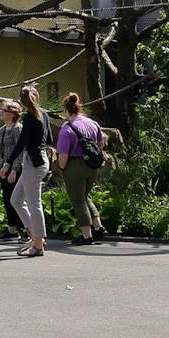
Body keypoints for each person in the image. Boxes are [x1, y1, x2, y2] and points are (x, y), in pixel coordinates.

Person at [55, 92, 113, 246]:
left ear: (66, 110)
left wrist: (62, 168)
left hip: (75, 166)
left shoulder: (66, 129)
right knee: (85, 196)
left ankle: (87, 236)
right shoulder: (92, 123)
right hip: (92, 166)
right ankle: (98, 227)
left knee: (78, 201)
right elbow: (100, 144)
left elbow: (62, 155)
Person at [12, 89, 49, 257]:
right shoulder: (44, 114)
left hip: (32, 161)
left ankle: (38, 244)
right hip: (41, 159)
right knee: (16, 200)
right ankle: (35, 237)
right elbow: (49, 140)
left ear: (22, 101)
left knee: (34, 203)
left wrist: (7, 163)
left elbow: (21, 144)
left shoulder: (29, 117)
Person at [0, 101, 25, 240]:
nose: (1, 112)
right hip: (3, 169)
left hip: (14, 169)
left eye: (4, 110)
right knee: (7, 200)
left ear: (13, 113)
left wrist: (14, 170)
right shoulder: (2, 130)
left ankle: (24, 229)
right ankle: (12, 229)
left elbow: (20, 150)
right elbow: (0, 151)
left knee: (16, 199)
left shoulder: (17, 129)